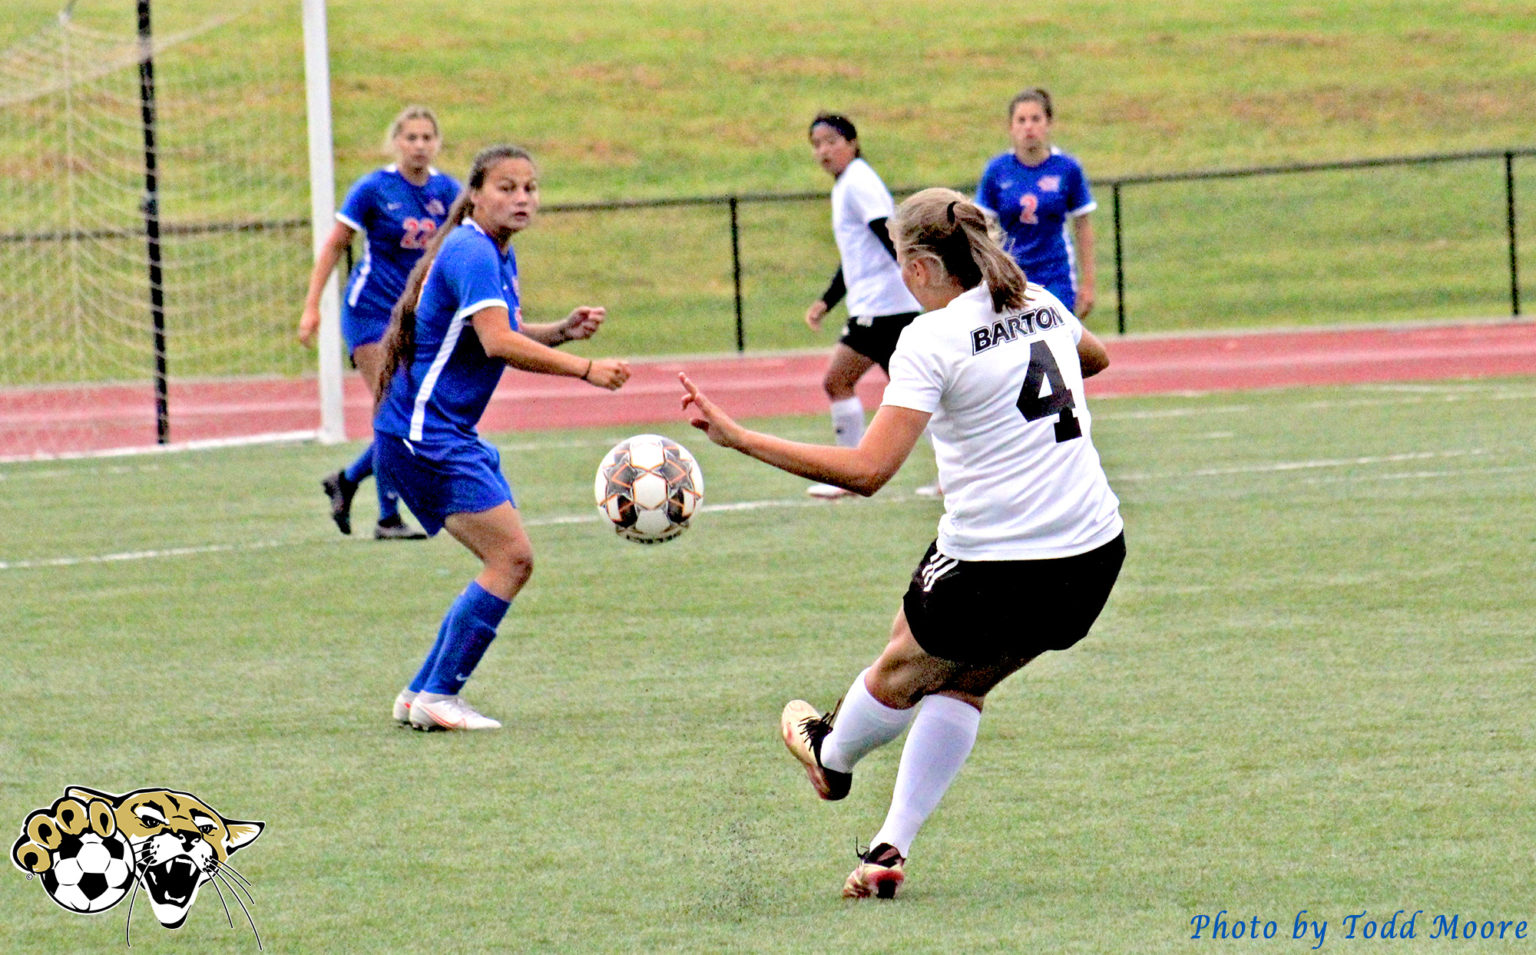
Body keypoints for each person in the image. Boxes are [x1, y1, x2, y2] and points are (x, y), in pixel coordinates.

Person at [679, 188, 1125, 898]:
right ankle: (890, 846)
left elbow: (868, 472)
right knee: (965, 679)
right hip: (1093, 554)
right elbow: (1091, 358)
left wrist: (739, 438)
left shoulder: (930, 338)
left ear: (919, 266)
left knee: (899, 669)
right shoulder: (1036, 298)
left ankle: (832, 754)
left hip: (998, 564)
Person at [373, 144, 630, 731]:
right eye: (507, 188)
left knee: (506, 557)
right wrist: (587, 371)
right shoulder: (473, 250)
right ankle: (439, 694)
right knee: (511, 558)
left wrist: (559, 333)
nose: (521, 198)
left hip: (433, 431)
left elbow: (502, 329)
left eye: (530, 188)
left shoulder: (486, 249)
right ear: (476, 193)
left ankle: (420, 694)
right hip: (426, 435)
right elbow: (498, 343)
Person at [298, 105, 462, 540]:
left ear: (437, 143)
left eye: (428, 137)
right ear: (395, 143)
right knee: (392, 407)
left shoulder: (448, 191)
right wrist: (312, 306)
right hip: (369, 312)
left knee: (409, 414)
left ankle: (347, 481)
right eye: (411, 137)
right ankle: (387, 517)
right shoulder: (374, 188)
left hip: (415, 318)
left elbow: (468, 247)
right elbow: (335, 245)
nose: (420, 145)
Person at [801, 113, 924, 499]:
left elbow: (887, 234)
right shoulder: (847, 184)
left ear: (852, 143)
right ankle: (957, 475)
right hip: (882, 305)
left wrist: (916, 277)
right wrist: (827, 300)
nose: (823, 151)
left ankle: (846, 475)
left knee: (837, 381)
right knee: (920, 391)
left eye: (831, 141)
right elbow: (856, 254)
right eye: (816, 144)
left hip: (884, 308)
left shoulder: (858, 181)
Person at [975, 88, 1097, 318]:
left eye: (1035, 119)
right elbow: (983, 227)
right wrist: (986, 277)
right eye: (1021, 120)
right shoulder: (997, 171)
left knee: (1060, 343)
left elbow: (1083, 226)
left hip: (1055, 273)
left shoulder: (1067, 169)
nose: (1028, 126)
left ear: (1048, 123)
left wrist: (1088, 284)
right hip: (1012, 276)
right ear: (1010, 127)